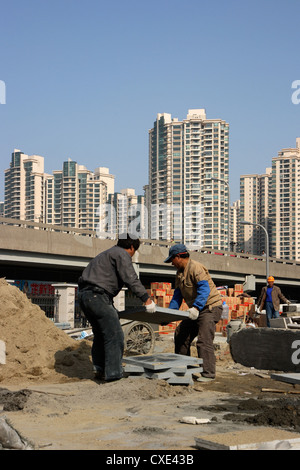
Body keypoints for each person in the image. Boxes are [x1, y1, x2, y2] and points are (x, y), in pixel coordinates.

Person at [78, 233, 156, 382]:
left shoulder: (106, 254)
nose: (132, 256)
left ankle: (99, 369)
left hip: (86, 297)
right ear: (132, 247)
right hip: (97, 296)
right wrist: (146, 299)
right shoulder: (121, 254)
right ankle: (114, 374)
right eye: (134, 252)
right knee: (115, 335)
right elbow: (130, 278)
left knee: (101, 334)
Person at [164, 244, 223, 382]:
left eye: (172, 260)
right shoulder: (179, 273)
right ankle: (184, 369)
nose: (171, 263)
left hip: (209, 308)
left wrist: (196, 307)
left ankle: (208, 374)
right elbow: (177, 297)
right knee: (181, 334)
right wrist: (169, 315)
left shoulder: (196, 267)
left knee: (203, 340)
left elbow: (204, 290)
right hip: (196, 310)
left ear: (178, 257)